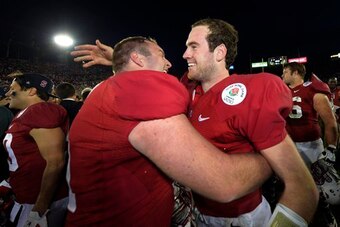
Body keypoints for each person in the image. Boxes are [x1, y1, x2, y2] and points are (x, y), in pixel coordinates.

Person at [69, 20, 318, 226]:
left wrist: (277, 162)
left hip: (240, 217)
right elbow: (145, 74)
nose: (184, 54)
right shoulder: (184, 88)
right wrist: (120, 59)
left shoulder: (255, 88)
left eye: (193, 46)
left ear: (219, 52)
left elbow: (303, 188)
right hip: (192, 212)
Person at [2, 73, 69, 227]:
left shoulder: (40, 111)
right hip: (27, 195)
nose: (7, 93)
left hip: (37, 202)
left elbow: (55, 162)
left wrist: (39, 208)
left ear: (31, 91)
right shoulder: (26, 113)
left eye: (12, 89)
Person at [282, 62, 340, 226]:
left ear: (295, 73)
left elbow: (330, 122)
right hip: (291, 146)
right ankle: (304, 216)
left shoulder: (312, 90)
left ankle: (326, 214)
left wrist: (332, 149)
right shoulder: (283, 91)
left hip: (311, 146)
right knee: (296, 186)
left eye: (285, 72)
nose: (282, 75)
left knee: (321, 188)